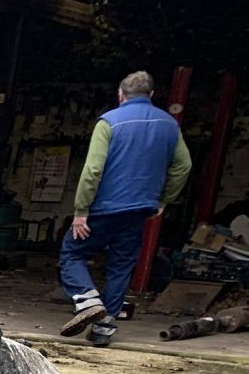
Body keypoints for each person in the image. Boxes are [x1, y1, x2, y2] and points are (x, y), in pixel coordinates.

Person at [59, 70, 192, 346]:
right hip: (139, 209)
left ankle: (87, 301)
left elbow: (93, 170)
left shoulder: (109, 122)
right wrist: (163, 200)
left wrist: (81, 211)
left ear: (120, 95)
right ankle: (104, 328)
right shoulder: (170, 125)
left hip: (103, 208)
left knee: (72, 252)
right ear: (151, 95)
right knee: (121, 265)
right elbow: (184, 166)